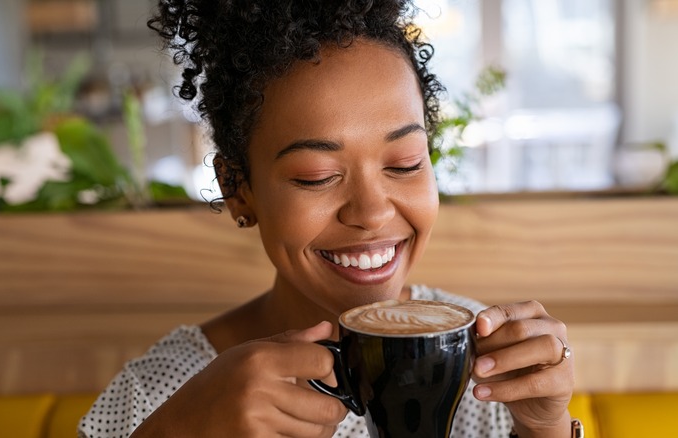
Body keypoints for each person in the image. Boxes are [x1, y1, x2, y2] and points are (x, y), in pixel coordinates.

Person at [78, 1, 575, 437]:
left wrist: (545, 430)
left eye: (404, 164)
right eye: (316, 176)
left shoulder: (482, 364)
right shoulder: (162, 392)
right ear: (237, 188)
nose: (372, 212)